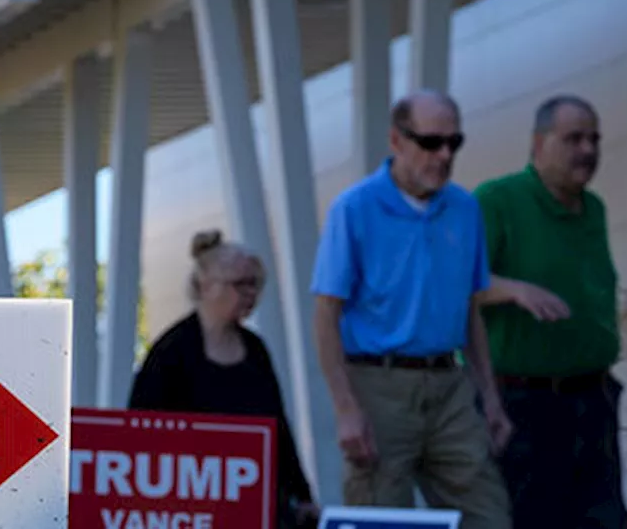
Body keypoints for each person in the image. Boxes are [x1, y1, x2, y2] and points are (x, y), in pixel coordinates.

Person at [310, 90, 514, 529]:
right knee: (380, 516)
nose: (443, 155)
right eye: (430, 143)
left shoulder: (464, 208)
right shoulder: (355, 208)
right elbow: (326, 313)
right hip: (378, 384)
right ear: (396, 141)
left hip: (449, 386)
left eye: (453, 144)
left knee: (490, 515)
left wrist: (490, 398)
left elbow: (470, 309)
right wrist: (346, 408)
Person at [473, 95, 627, 528]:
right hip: (524, 403)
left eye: (594, 139)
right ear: (538, 144)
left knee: (606, 519)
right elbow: (453, 285)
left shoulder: (593, 208)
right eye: (573, 139)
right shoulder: (498, 200)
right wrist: (512, 289)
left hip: (593, 399)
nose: (588, 150)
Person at [129, 229, 320, 529]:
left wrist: (302, 494)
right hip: (193, 502)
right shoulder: (171, 352)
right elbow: (140, 433)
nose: (250, 294)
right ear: (205, 285)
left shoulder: (255, 348)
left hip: (256, 499)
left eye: (255, 284)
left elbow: (277, 427)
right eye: (240, 285)